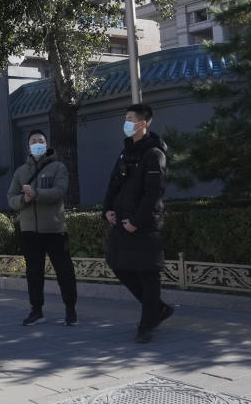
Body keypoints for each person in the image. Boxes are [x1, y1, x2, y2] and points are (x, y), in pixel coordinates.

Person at [102, 103, 173, 343]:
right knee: (118, 264)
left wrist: (137, 221)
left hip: (144, 225)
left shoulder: (154, 154)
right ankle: (158, 309)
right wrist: (107, 210)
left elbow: (153, 193)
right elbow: (114, 184)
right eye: (126, 118)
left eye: (130, 118)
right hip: (123, 222)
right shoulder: (125, 152)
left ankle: (147, 324)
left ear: (143, 123)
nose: (126, 122)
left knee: (148, 273)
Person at [8, 129, 78, 326]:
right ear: (28, 146)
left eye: (41, 140)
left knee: (64, 271)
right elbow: (11, 198)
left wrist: (36, 193)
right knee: (34, 273)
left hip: (55, 229)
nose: (37, 143)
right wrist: (24, 199)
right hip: (30, 231)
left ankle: (71, 309)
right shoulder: (21, 172)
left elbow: (59, 191)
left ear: (46, 145)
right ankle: (36, 310)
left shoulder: (58, 167)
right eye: (33, 140)